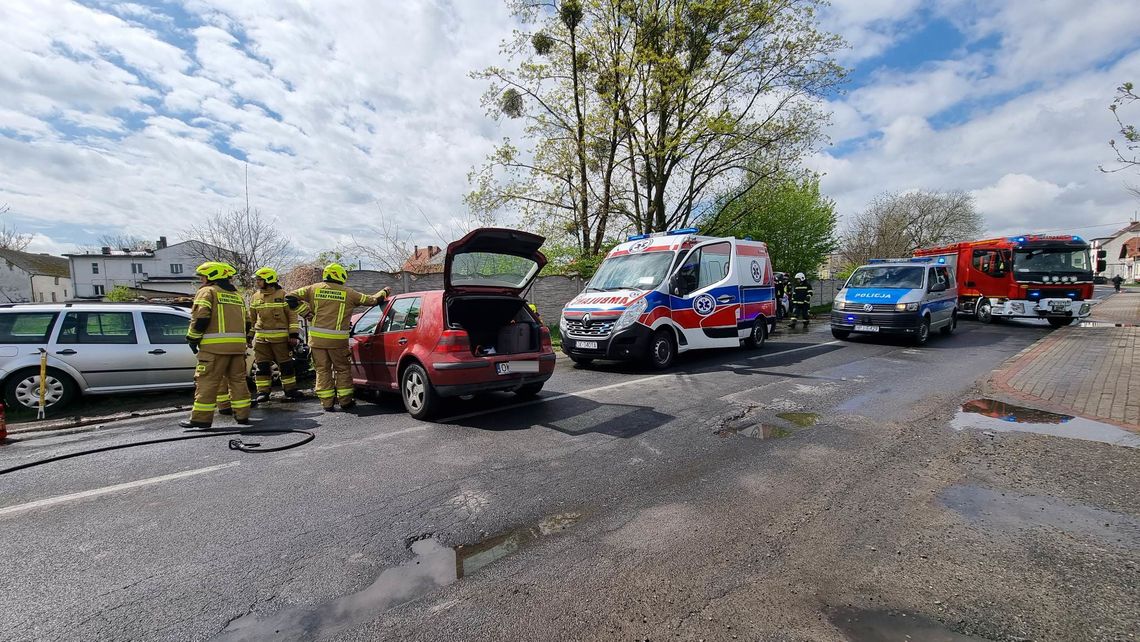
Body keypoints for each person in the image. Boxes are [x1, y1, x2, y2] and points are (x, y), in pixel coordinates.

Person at [286, 263, 390, 412]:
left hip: (317, 341)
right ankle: (345, 401)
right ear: (340, 275)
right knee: (342, 370)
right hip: (337, 342)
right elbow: (372, 300)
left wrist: (306, 313)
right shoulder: (348, 292)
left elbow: (289, 297)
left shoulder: (313, 288)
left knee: (322, 371)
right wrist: (384, 292)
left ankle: (327, 403)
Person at [180, 262, 252, 428]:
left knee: (207, 382)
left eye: (203, 276)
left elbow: (201, 318)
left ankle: (200, 419)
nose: (201, 279)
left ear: (212, 275)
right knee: (238, 382)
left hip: (214, 349)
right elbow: (247, 322)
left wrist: (193, 338)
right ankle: (242, 416)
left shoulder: (207, 292)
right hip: (237, 348)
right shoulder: (236, 296)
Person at [249, 267, 303, 403]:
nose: (257, 282)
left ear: (269, 280)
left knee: (286, 366)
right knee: (262, 367)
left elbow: (292, 317)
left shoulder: (283, 295)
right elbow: (252, 319)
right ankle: (263, 392)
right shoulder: (255, 297)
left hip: (281, 340)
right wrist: (250, 336)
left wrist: (294, 336)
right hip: (261, 340)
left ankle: (290, 390)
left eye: (260, 280)